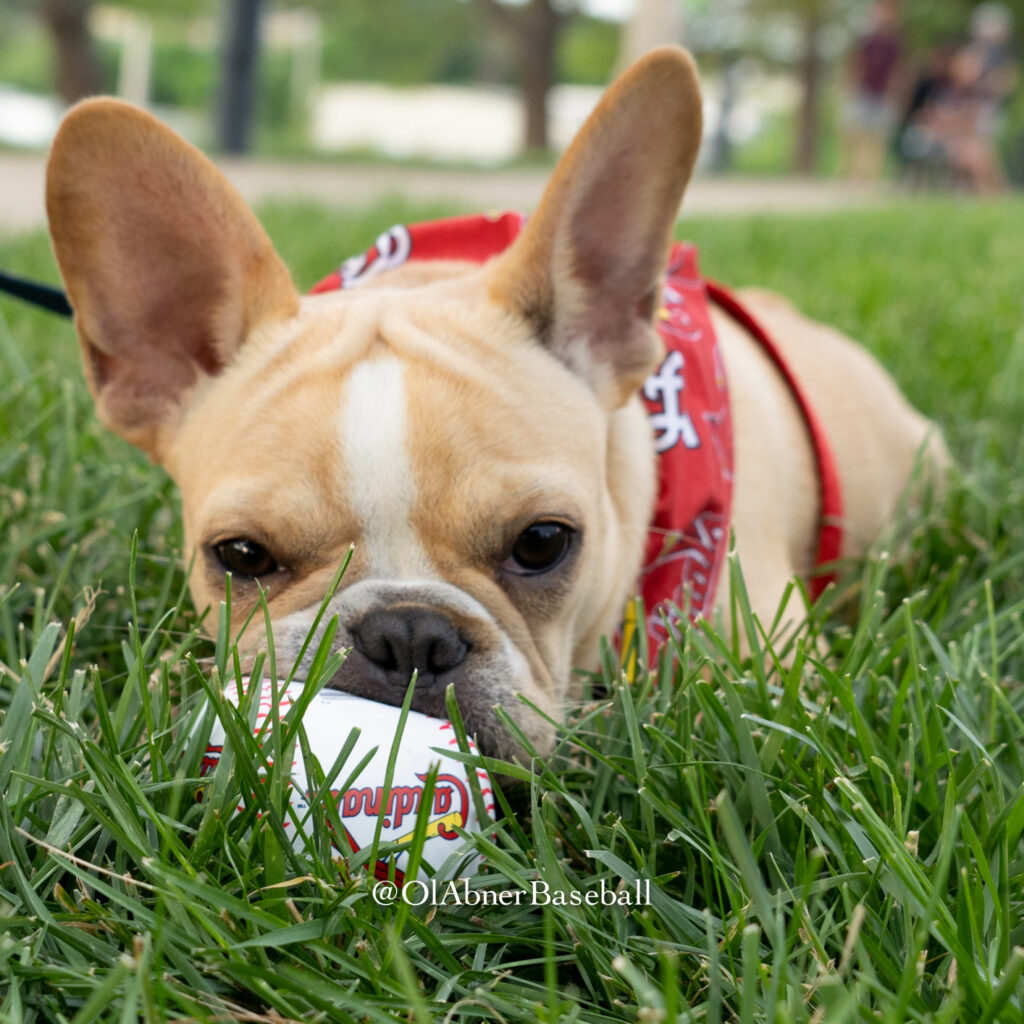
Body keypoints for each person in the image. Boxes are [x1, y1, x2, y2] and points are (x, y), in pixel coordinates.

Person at [843, 0, 905, 180]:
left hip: (883, 95)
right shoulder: (866, 38)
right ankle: (854, 173)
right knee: (856, 133)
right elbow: (856, 64)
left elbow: (898, 70)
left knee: (878, 137)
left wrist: (894, 95)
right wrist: (851, 88)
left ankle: (871, 176)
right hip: (864, 92)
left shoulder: (896, 41)